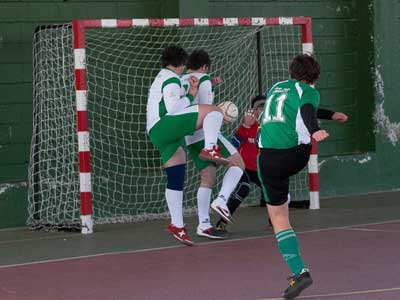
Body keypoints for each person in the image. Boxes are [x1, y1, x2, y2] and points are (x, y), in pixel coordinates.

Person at [215, 96, 348, 233]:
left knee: (279, 194)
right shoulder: (247, 125)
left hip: (263, 168)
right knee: (243, 188)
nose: (260, 110)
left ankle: (275, 220)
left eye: (263, 107)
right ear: (252, 110)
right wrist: (245, 127)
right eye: (257, 108)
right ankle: (222, 221)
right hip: (245, 167)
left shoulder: (272, 125)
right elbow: (233, 145)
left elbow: (304, 114)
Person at [257, 54, 328, 299]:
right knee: (281, 207)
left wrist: (326, 117)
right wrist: (315, 129)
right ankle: (284, 196)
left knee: (278, 217)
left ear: (291, 73)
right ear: (314, 77)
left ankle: (299, 271)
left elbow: (303, 109)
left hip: (268, 159)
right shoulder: (308, 91)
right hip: (296, 155)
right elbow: (307, 109)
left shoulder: (277, 87)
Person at [146, 45, 229, 246]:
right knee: (214, 111)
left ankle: (177, 225)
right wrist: (192, 94)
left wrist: (192, 90)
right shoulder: (171, 78)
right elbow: (174, 107)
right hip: (165, 124)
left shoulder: (162, 77)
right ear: (182, 63)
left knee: (176, 173)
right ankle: (210, 147)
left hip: (156, 131)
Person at [181, 50, 245, 240]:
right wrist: (219, 116)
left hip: (188, 136)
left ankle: (204, 225)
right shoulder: (205, 79)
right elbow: (207, 109)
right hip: (204, 133)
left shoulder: (183, 79)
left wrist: (211, 86)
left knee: (207, 178)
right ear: (205, 67)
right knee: (238, 164)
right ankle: (222, 200)